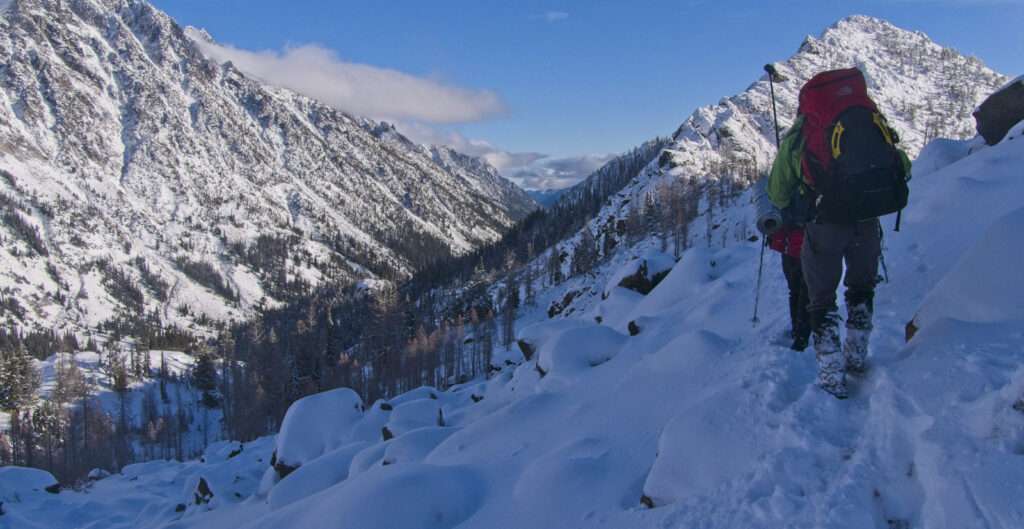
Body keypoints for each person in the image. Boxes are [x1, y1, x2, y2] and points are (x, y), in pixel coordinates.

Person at [767, 68, 911, 399]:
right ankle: (857, 356)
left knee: (822, 299)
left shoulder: (804, 132)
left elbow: (777, 193)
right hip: (867, 222)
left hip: (824, 223)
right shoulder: (869, 119)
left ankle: (832, 374)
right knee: (861, 289)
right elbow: (902, 164)